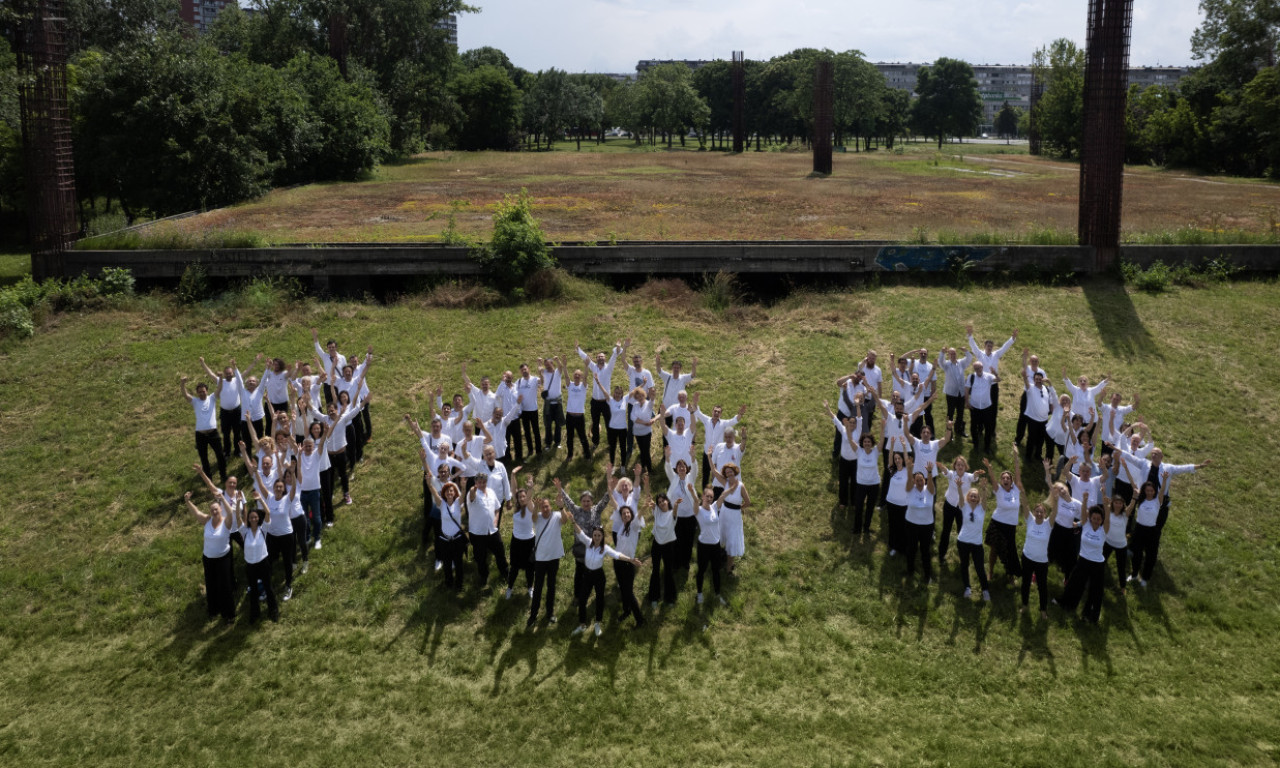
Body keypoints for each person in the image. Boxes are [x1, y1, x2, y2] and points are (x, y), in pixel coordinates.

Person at [567, 518, 644, 637]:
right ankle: (582, 625)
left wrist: (630, 559)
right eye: (595, 535)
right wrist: (572, 521)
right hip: (587, 575)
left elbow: (617, 554)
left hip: (598, 576)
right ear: (592, 536)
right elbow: (580, 532)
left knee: (599, 599)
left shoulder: (605, 548)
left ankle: (598, 623)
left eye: (599, 535)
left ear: (602, 537)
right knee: (582, 600)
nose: (597, 537)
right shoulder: (588, 542)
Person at [243, 441, 299, 602]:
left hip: (286, 535)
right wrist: (255, 472)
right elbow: (260, 484)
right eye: (277, 487)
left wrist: (292, 473)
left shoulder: (288, 499)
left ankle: (289, 586)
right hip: (272, 536)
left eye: (281, 487)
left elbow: (293, 487)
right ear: (274, 488)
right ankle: (265, 584)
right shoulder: (269, 498)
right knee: (269, 561)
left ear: (284, 489)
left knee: (287, 562)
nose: (279, 488)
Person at [554, 476, 611, 606]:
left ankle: (598, 596)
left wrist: (609, 484)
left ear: (592, 502)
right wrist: (559, 488)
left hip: (595, 550)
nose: (586, 503)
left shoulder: (596, 510)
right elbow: (567, 501)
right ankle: (577, 597)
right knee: (579, 575)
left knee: (596, 574)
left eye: (588, 500)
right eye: (584, 501)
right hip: (581, 551)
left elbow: (606, 499)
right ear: (581, 502)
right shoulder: (576, 510)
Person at [184, 491, 237, 623]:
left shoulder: (227, 522)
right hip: (208, 559)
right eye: (212, 509)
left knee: (225, 586)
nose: (214, 511)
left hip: (223, 559)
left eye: (216, 509)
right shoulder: (207, 521)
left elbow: (231, 512)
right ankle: (213, 610)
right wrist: (187, 501)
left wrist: (222, 500)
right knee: (211, 584)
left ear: (220, 510)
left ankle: (229, 615)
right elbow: (196, 513)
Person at [1054, 499, 1107, 624]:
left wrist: (1106, 504)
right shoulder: (1086, 524)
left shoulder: (1104, 530)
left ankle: (1091, 616)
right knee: (1074, 584)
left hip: (1097, 564)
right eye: (1094, 518)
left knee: (1095, 591)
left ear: (1102, 520)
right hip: (1083, 560)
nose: (1096, 521)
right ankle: (1066, 604)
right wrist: (1084, 498)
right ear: (1090, 518)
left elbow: (1108, 517)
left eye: (1098, 519)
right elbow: (1084, 512)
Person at [983, 448, 1024, 585]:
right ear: (1001, 481)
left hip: (1010, 526)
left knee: (1010, 551)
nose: (1005, 479)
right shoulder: (998, 490)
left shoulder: (1016, 490)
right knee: (994, 549)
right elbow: (992, 478)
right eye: (1003, 478)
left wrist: (1016, 456)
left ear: (1011, 481)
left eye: (1008, 478)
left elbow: (1018, 473)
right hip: (997, 523)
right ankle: (990, 571)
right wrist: (989, 468)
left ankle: (1010, 575)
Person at [464, 472, 510, 590]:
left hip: (492, 531)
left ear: (486, 482)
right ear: (476, 483)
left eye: (484, 482)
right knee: (480, 557)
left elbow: (497, 507)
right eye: (479, 482)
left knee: (500, 552)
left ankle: (505, 572)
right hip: (478, 533)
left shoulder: (491, 492)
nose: (482, 484)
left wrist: (496, 519)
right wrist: (473, 489)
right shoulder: (472, 493)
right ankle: (483, 577)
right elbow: (472, 496)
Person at [527, 496, 566, 630]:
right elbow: (533, 518)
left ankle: (550, 613)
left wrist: (561, 507)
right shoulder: (537, 517)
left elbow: (565, 520)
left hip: (554, 558)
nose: (545, 509)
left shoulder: (556, 516)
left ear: (551, 506)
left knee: (551, 586)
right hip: (540, 559)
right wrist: (536, 507)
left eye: (547, 506)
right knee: (538, 587)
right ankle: (533, 615)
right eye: (543, 507)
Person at [423, 469, 466, 591]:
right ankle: (448, 582)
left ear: (454, 492)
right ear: (444, 493)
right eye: (447, 491)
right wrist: (429, 484)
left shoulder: (458, 503)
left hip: (457, 540)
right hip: (445, 540)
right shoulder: (441, 504)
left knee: (458, 564)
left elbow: (463, 494)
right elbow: (433, 492)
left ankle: (459, 585)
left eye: (451, 491)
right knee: (447, 564)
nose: (449, 493)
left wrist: (463, 487)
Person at [239, 492, 278, 624]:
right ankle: (255, 614)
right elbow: (238, 519)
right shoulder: (245, 532)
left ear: (258, 518)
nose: (254, 519)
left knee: (268, 588)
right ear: (248, 519)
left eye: (255, 517)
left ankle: (273, 611)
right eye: (251, 517)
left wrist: (260, 499)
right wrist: (239, 503)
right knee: (254, 591)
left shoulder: (263, 529)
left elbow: (267, 513)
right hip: (250, 566)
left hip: (263, 563)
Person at [578, 340, 624, 449]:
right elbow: (586, 358)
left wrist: (617, 347)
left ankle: (611, 442)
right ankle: (595, 442)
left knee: (609, 423)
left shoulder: (608, 368)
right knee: (595, 422)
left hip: (606, 402)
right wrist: (578, 349)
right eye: (598, 357)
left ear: (605, 359)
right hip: (595, 402)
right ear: (596, 359)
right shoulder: (593, 367)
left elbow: (614, 357)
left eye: (602, 356)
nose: (600, 358)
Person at [199, 356, 246, 463]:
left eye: (230, 373)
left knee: (238, 433)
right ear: (224, 374)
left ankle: (238, 451)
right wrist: (203, 363)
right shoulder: (221, 382)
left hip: (237, 411)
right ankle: (227, 452)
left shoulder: (237, 380)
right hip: (225, 413)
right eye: (227, 373)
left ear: (233, 373)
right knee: (226, 434)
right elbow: (210, 373)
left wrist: (255, 361)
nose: (229, 374)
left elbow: (247, 371)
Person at [182, 375, 226, 485]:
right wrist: (182, 384)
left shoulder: (212, 398)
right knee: (204, 458)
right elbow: (185, 395)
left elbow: (219, 388)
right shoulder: (195, 401)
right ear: (197, 393)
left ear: (207, 391)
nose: (202, 393)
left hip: (213, 433)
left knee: (220, 455)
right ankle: (208, 480)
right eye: (200, 392)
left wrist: (220, 378)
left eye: (203, 391)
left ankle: (223, 476)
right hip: (200, 434)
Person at [643, 471, 678, 608]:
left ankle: (670, 599)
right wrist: (646, 484)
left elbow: (675, 510)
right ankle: (654, 597)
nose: (662, 503)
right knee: (655, 570)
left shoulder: (672, 514)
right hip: (657, 545)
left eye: (663, 500)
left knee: (668, 571)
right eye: (659, 502)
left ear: (667, 501)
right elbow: (648, 497)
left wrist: (675, 505)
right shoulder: (656, 512)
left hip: (669, 546)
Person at [966, 323, 1017, 415]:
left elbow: (1005, 347)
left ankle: (991, 428)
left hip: (993, 383)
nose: (989, 347)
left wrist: (1012, 338)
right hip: (982, 383)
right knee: (981, 405)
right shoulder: (980, 354)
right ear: (985, 346)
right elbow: (973, 346)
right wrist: (970, 336)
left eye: (991, 346)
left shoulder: (996, 354)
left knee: (993, 407)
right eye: (988, 346)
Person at [610, 504, 647, 629]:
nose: (626, 515)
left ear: (631, 514)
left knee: (629, 593)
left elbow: (638, 516)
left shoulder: (633, 526)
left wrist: (644, 507)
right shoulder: (622, 527)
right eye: (623, 514)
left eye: (628, 513)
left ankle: (640, 620)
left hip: (628, 563)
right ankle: (626, 611)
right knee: (623, 590)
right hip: (618, 562)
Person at [901, 454, 938, 584]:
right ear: (914, 481)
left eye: (921, 479)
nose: (919, 482)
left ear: (925, 480)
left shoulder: (930, 490)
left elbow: (930, 483)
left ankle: (927, 575)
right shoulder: (910, 490)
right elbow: (908, 482)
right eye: (917, 480)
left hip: (927, 526)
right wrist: (910, 469)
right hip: (911, 524)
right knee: (911, 548)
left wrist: (928, 472)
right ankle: (910, 571)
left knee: (925, 551)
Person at [938, 456, 980, 565]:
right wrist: (942, 467)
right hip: (949, 506)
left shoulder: (968, 476)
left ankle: (963, 556)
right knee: (946, 531)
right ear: (955, 466)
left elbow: (974, 477)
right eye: (958, 465)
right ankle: (941, 556)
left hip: (963, 509)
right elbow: (946, 472)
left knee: (962, 532)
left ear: (965, 467)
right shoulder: (952, 474)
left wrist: (976, 473)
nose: (960, 466)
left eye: (962, 465)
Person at [711, 461, 750, 575]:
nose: (729, 473)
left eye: (730, 471)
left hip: (734, 517)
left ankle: (729, 569)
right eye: (727, 472)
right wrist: (709, 456)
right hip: (724, 514)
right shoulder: (726, 483)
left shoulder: (741, 486)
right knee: (722, 537)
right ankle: (721, 559)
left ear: (734, 471)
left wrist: (738, 508)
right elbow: (714, 471)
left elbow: (748, 502)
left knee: (732, 542)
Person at [1101, 463, 1134, 594]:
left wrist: (1135, 496)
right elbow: (1104, 502)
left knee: (1121, 567)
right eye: (1116, 502)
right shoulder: (1108, 511)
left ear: (1122, 504)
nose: (1118, 505)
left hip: (1121, 545)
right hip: (1108, 542)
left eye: (1120, 503)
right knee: (1101, 562)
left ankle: (1122, 588)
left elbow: (1132, 504)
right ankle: (1097, 580)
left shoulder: (1125, 514)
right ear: (1113, 503)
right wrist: (1104, 492)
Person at [665, 448, 700, 571]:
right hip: (677, 516)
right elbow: (668, 468)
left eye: (683, 466)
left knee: (689, 541)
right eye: (679, 466)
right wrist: (668, 457)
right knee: (677, 540)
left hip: (690, 516)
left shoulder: (691, 478)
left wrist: (693, 457)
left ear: (686, 468)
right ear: (677, 469)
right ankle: (677, 562)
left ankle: (686, 562)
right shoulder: (673, 479)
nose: (681, 468)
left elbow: (695, 468)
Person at [955, 484, 992, 601]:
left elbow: (985, 500)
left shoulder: (982, 508)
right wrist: (960, 487)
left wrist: (984, 490)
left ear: (978, 499)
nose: (973, 498)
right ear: (968, 497)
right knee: (964, 565)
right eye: (971, 495)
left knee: (979, 567)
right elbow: (960, 498)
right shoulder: (964, 506)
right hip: (963, 541)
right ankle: (967, 588)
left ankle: (985, 590)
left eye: (975, 496)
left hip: (976, 543)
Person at [824, 400, 862, 512]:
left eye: (853, 423)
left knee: (855, 482)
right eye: (850, 423)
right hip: (844, 461)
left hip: (855, 462)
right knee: (843, 482)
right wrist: (827, 408)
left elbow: (859, 417)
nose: (852, 424)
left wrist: (858, 405)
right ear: (848, 423)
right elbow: (835, 419)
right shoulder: (844, 430)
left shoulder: (858, 432)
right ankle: (843, 501)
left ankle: (854, 502)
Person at [693, 486, 728, 607]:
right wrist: (692, 491)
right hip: (703, 546)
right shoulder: (698, 510)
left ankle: (718, 594)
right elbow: (694, 500)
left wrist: (733, 485)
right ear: (703, 497)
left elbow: (723, 496)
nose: (709, 498)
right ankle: (699, 593)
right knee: (701, 571)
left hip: (715, 545)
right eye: (707, 496)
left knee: (716, 571)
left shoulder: (714, 507)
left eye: (711, 497)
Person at [505, 471, 536, 601]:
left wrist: (530, 487)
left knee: (530, 568)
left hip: (529, 542)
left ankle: (530, 587)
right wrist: (512, 476)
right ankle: (509, 588)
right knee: (515, 568)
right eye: (520, 497)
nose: (522, 498)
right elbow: (513, 491)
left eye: (524, 496)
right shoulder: (517, 508)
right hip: (516, 541)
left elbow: (529, 498)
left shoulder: (530, 507)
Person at [697, 401, 745, 485]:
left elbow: (733, 421)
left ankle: (715, 492)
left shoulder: (723, 423)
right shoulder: (706, 420)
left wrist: (740, 414)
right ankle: (705, 494)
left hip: (717, 454)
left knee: (716, 475)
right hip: (706, 453)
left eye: (718, 412)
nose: (716, 413)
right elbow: (698, 413)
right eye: (715, 411)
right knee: (705, 474)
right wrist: (695, 402)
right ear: (712, 412)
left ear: (721, 414)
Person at [1020, 497, 1053, 619]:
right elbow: (1024, 504)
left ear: (1045, 514)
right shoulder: (1030, 520)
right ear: (1034, 512)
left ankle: (1043, 610)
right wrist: (1022, 491)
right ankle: (1024, 605)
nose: (1039, 514)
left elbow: (1056, 511)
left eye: (1042, 512)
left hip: (1041, 561)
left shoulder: (1048, 524)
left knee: (1042, 586)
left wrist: (1056, 498)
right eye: (1037, 511)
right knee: (1025, 583)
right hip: (1027, 557)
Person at [1020, 350, 1055, 462]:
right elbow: (1026, 381)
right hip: (1033, 419)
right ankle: (1028, 456)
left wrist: (1051, 407)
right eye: (1036, 379)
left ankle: (1037, 455)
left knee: (1040, 440)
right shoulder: (1030, 388)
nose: (1038, 380)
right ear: (1034, 380)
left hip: (1044, 419)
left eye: (1040, 379)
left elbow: (1051, 398)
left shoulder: (1045, 389)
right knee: (1031, 438)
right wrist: (1025, 377)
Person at [964, 361, 1000, 454]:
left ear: (982, 367)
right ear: (974, 369)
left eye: (979, 368)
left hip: (986, 407)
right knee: (973, 427)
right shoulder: (971, 377)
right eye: (976, 368)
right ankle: (976, 444)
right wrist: (967, 402)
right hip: (974, 407)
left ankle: (987, 447)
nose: (978, 370)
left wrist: (995, 372)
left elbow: (998, 379)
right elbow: (967, 389)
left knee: (988, 428)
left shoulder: (988, 376)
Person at [937, 347, 972, 439]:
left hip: (961, 393)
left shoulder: (961, 363)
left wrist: (966, 351)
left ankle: (959, 430)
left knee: (960, 413)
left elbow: (969, 358)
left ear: (956, 354)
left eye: (954, 353)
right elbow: (940, 361)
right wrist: (942, 353)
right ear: (948, 355)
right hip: (951, 393)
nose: (953, 355)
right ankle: (949, 433)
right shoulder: (946, 365)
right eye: (951, 354)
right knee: (950, 413)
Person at [883, 451, 910, 557]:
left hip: (903, 504)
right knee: (893, 525)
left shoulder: (907, 470)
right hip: (891, 502)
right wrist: (892, 446)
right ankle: (893, 547)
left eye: (899, 458)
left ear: (902, 459)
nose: (897, 460)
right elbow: (889, 459)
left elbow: (908, 460)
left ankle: (902, 548)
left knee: (903, 526)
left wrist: (904, 446)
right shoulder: (892, 470)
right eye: (895, 459)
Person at [514, 362, 543, 459]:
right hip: (523, 411)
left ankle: (538, 450)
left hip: (533, 409)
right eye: (522, 370)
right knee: (527, 432)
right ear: (520, 372)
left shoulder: (535, 379)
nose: (524, 371)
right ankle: (530, 450)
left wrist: (540, 370)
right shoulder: (518, 382)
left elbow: (542, 382)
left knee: (536, 431)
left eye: (525, 369)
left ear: (528, 369)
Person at [627, 386, 657, 475]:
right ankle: (643, 467)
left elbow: (652, 400)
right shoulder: (635, 405)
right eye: (637, 397)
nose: (639, 398)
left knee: (646, 451)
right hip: (637, 432)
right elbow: (632, 417)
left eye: (641, 396)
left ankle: (650, 470)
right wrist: (644, 422)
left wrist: (652, 393)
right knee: (641, 450)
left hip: (646, 432)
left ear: (644, 395)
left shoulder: (648, 404)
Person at [538, 356, 566, 451]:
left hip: (557, 403)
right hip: (548, 403)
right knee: (548, 424)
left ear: (552, 364)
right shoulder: (544, 372)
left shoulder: (557, 373)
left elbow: (561, 367)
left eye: (548, 364)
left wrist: (558, 360)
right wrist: (539, 363)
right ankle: (548, 443)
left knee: (558, 424)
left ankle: (557, 442)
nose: (547, 366)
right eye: (545, 365)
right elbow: (540, 371)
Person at [564, 367, 591, 460]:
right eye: (575, 374)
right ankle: (570, 455)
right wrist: (564, 365)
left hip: (579, 417)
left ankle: (587, 455)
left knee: (582, 437)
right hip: (570, 416)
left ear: (581, 377)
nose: (577, 376)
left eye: (579, 375)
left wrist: (586, 365)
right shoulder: (570, 385)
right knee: (569, 437)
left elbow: (586, 377)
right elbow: (566, 376)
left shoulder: (583, 386)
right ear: (573, 376)